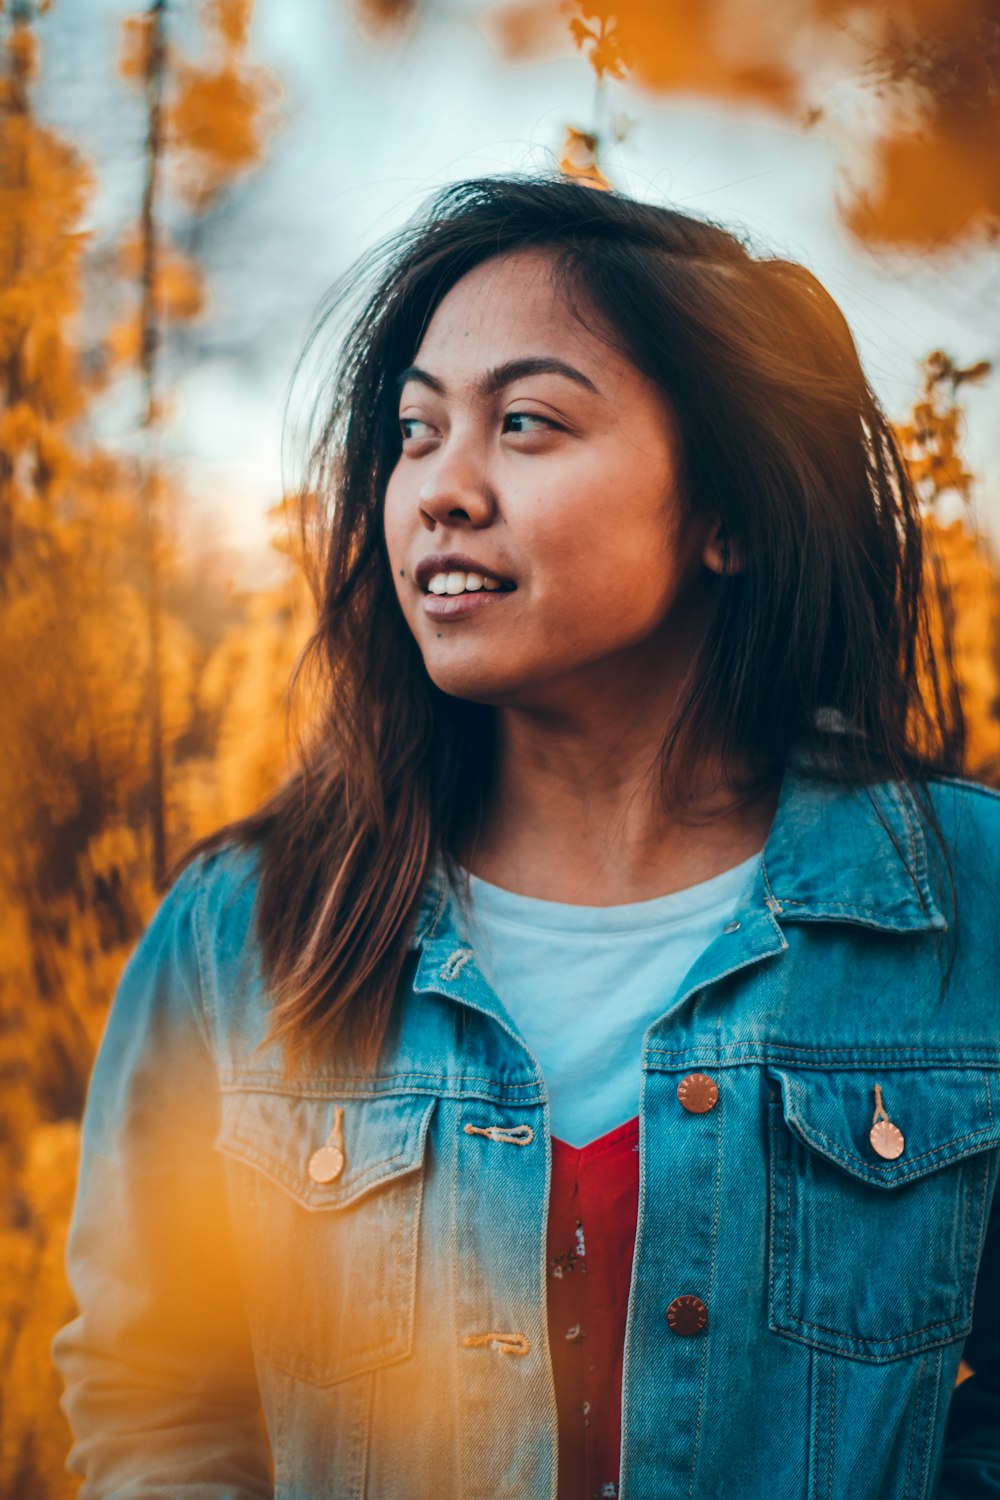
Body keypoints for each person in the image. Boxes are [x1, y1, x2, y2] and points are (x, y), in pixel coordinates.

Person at [53, 174, 1000, 1500]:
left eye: (528, 423)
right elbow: (156, 1401)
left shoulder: (970, 910)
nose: (440, 489)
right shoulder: (245, 929)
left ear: (727, 510)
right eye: (415, 431)